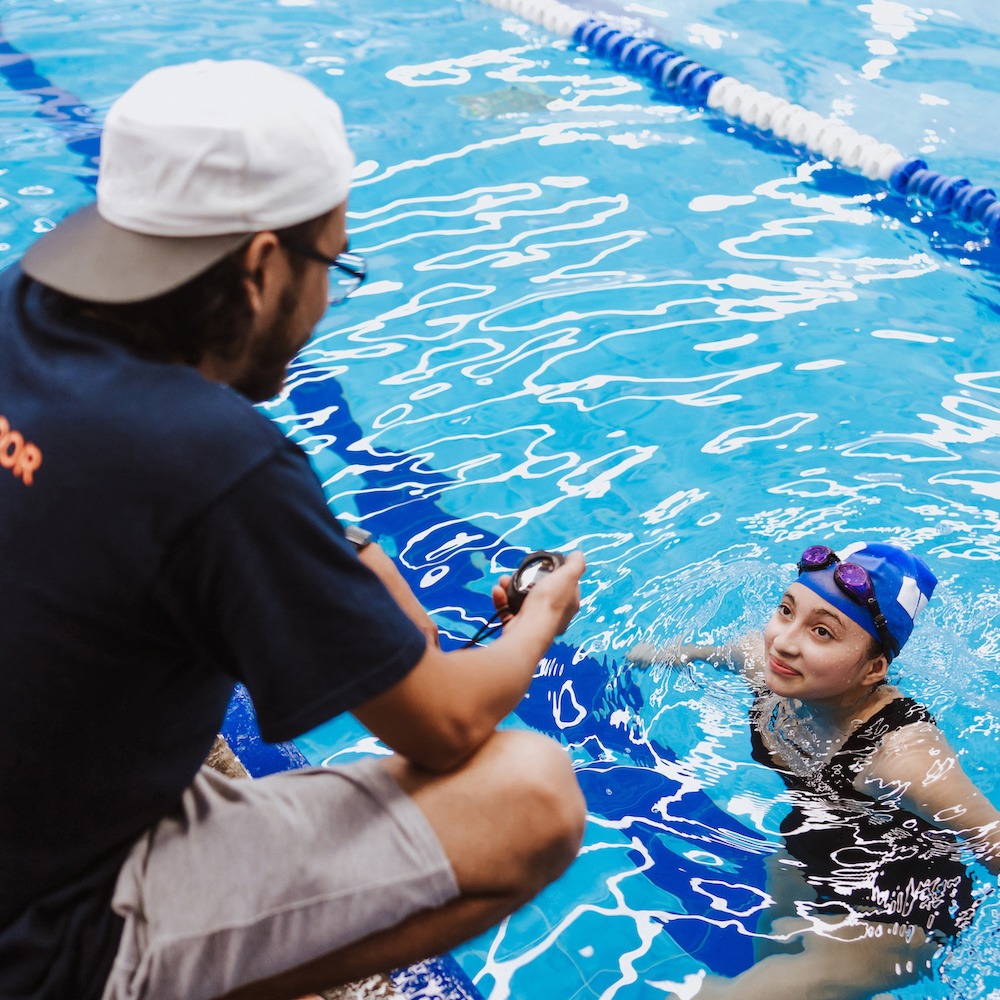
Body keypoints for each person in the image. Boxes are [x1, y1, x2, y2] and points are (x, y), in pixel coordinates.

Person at [0, 59, 588, 1000]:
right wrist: (539, 620)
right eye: (333, 269)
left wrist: (338, 554)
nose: (322, 309)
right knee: (532, 796)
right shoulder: (214, 462)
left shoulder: (18, 306)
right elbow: (443, 725)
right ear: (263, 264)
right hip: (45, 929)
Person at [631, 542, 1000, 1000]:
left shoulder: (901, 756)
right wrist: (658, 655)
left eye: (822, 633)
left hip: (898, 916)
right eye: (787, 610)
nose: (784, 641)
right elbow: (718, 653)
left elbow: (993, 838)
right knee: (764, 960)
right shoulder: (770, 669)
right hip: (808, 852)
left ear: (874, 668)